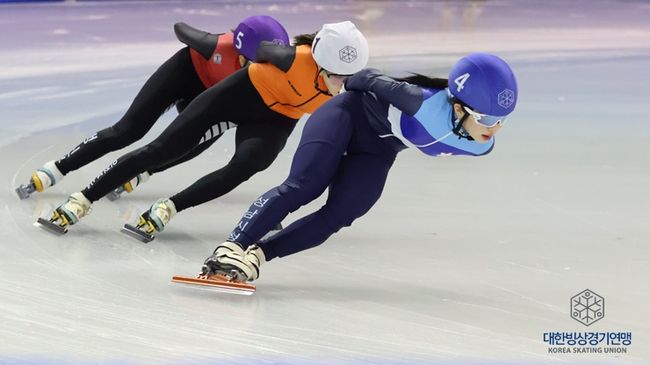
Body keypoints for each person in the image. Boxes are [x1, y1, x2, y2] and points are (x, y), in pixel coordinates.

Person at [200, 53, 519, 282]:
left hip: (378, 147)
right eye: (488, 119)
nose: (495, 129)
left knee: (344, 212)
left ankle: (257, 255)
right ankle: (231, 246)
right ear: (460, 108)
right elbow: (363, 78)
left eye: (502, 120)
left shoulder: (480, 144)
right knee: (305, 185)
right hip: (346, 117)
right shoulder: (418, 101)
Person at [39, 21, 370, 238]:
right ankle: (82, 199)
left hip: (274, 120)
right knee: (161, 150)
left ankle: (168, 207)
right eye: (339, 77)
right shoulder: (287, 58)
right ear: (321, 61)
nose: (343, 85)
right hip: (235, 97)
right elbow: (254, 47)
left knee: (244, 168)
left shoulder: (348, 82)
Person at [17, 15, 289, 200]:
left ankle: (144, 172)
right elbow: (181, 29)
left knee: (192, 143)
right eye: (256, 63)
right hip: (183, 74)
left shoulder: (274, 68)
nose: (265, 70)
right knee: (126, 132)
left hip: (214, 98)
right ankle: (60, 167)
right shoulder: (215, 46)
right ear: (240, 54)